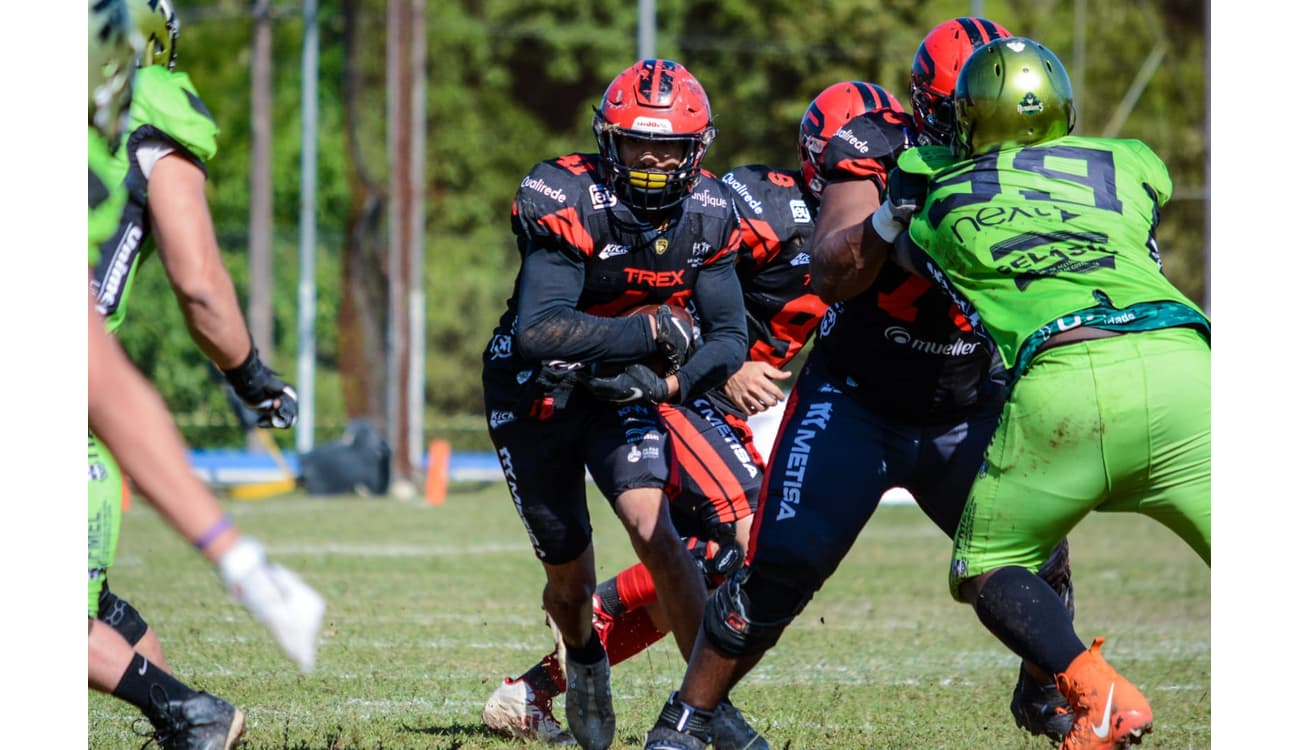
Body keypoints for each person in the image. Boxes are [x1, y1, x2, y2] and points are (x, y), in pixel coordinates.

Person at [641, 31, 1077, 750]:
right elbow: (830, 269)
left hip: (966, 404)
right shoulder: (875, 150)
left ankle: (1043, 684)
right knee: (777, 571)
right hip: (856, 401)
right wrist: (888, 217)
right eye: (975, 111)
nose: (998, 133)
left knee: (1041, 556)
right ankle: (685, 723)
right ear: (935, 107)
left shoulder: (1050, 166)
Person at [868, 37, 1209, 749]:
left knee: (989, 565)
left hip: (1068, 380)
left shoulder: (944, 201)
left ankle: (1096, 692)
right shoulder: (1131, 158)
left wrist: (902, 198)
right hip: (1190, 365)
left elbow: (902, 253)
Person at [481, 99, 832, 749]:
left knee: (719, 548)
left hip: (684, 385)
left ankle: (576, 682)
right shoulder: (760, 201)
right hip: (665, 386)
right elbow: (672, 276)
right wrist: (711, 367)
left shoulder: (902, 228)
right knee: (742, 537)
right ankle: (658, 696)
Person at [87, 4, 325, 749]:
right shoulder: (132, 115)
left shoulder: (143, 116)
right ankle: (185, 714)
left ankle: (187, 714)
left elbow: (196, 288)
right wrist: (251, 375)